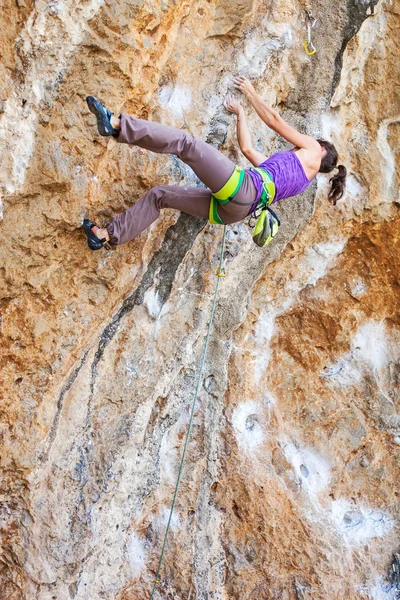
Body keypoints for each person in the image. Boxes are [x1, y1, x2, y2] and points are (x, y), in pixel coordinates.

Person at [83, 76, 346, 250]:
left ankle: (117, 126)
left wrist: (251, 94)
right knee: (159, 196)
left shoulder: (312, 149)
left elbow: (275, 121)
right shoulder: (299, 180)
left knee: (186, 144)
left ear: (321, 149)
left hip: (243, 190)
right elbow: (248, 149)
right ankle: (105, 236)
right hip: (234, 211)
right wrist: (241, 114)